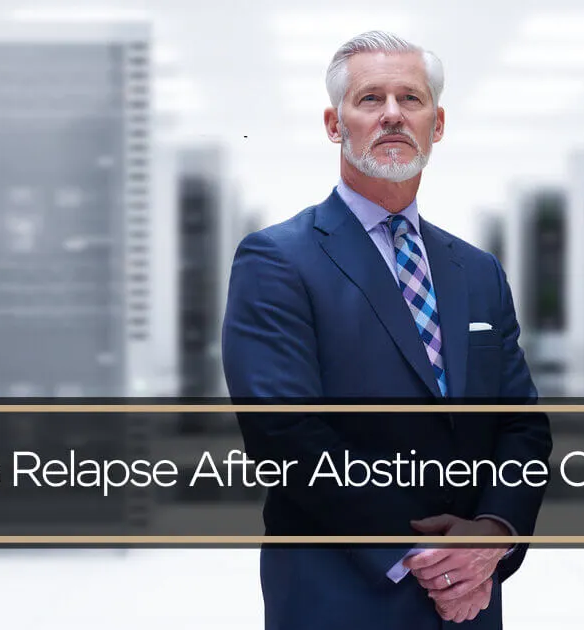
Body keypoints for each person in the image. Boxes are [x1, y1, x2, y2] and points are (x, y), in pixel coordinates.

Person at [221, 30, 553, 629]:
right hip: (340, 592)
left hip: (470, 600)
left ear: (438, 123)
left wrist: (494, 534)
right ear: (334, 123)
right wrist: (424, 556)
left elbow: (521, 427)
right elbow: (285, 436)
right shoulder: (277, 261)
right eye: (371, 99)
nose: (394, 114)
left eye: (412, 99)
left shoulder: (477, 271)